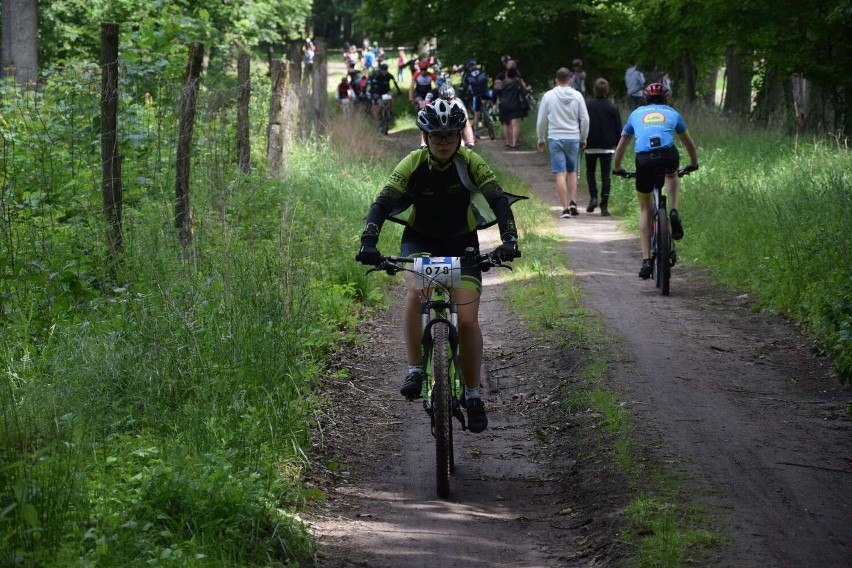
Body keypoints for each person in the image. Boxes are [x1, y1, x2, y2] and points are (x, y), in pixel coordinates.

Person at [355, 99, 524, 433]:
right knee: (417, 295)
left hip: (462, 244)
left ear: (459, 136)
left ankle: (474, 395)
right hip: (420, 240)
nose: (444, 142)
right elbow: (383, 201)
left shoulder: (470, 162)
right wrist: (369, 242)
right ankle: (416, 369)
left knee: (469, 320)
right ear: (425, 136)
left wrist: (509, 240)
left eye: (450, 135)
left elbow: (497, 199)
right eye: (437, 136)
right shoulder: (412, 162)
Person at [613, 82, 699, 279]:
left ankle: (646, 261)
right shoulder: (673, 113)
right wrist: (693, 164)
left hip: (644, 160)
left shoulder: (636, 114)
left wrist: (617, 168)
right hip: (668, 155)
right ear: (666, 98)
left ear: (645, 99)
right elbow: (690, 144)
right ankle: (674, 210)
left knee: (645, 209)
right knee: (672, 173)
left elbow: (620, 147)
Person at [536, 67, 589, 218]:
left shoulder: (548, 96)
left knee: (560, 173)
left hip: (555, 137)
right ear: (570, 79)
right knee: (572, 171)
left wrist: (540, 138)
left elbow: (541, 120)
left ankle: (565, 208)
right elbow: (585, 119)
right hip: (573, 137)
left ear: (556, 79)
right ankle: (573, 201)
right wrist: (583, 137)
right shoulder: (577, 95)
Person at [584, 78, 622, 216]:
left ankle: (593, 197)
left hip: (590, 144)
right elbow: (619, 129)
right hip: (607, 146)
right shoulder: (613, 107)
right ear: (607, 90)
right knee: (606, 175)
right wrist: (619, 146)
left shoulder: (588, 105)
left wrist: (582, 139)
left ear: (594, 89)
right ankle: (604, 205)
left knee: (590, 172)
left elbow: (583, 123)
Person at [497, 67, 527, 149]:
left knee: (506, 124)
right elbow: (524, 91)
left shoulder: (502, 83)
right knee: (515, 125)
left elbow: (496, 92)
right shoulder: (517, 82)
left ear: (507, 74)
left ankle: (507, 142)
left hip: (503, 105)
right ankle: (514, 144)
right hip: (515, 104)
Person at [460, 60, 490, 140]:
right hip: (486, 92)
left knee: (476, 113)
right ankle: (492, 109)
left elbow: (463, 86)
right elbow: (486, 80)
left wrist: (462, 92)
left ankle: (476, 131)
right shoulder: (482, 71)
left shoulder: (467, 75)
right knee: (494, 98)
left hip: (476, 95)